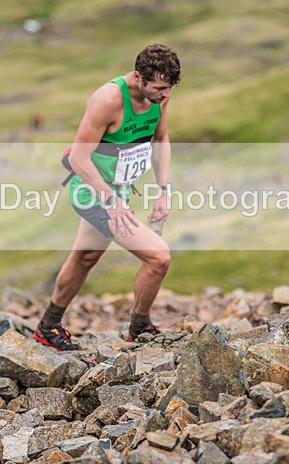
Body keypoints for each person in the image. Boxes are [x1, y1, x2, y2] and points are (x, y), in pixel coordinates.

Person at [33, 44, 182, 351]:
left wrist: (162, 191)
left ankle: (48, 326)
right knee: (159, 258)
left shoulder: (160, 95)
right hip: (92, 191)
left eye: (168, 89)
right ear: (139, 77)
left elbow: (160, 139)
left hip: (121, 190)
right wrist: (111, 202)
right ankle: (139, 327)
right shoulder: (108, 100)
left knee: (86, 256)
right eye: (158, 89)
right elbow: (78, 158)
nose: (164, 96)